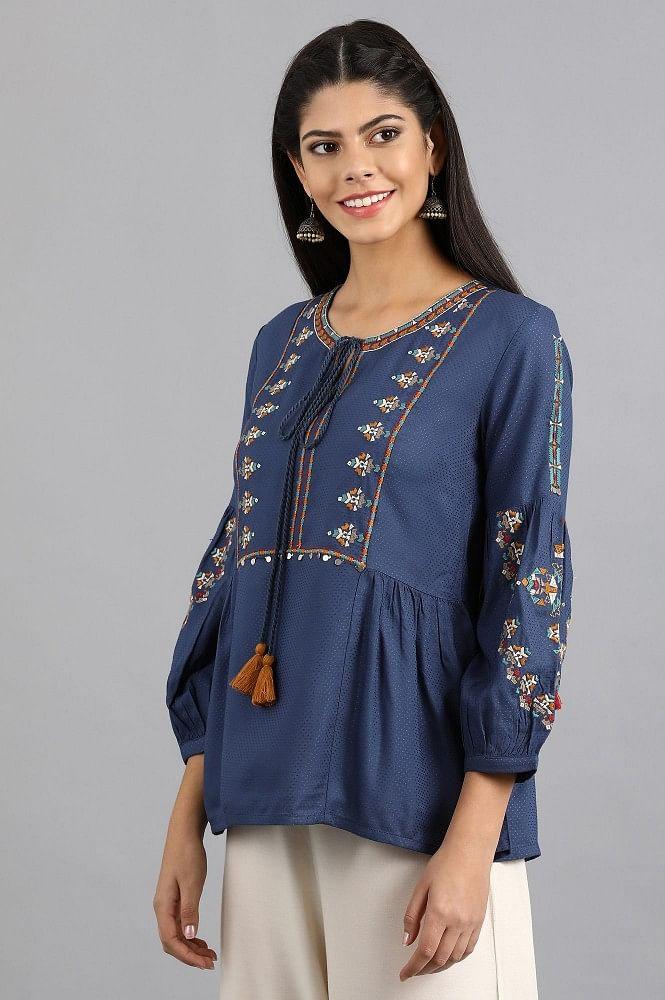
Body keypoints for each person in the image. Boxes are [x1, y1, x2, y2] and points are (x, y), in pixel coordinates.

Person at [153, 18, 573, 999]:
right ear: (298, 173)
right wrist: (188, 811)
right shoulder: (279, 344)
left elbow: (529, 584)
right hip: (263, 798)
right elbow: (232, 573)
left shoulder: (512, 338)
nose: (356, 167)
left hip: (415, 802)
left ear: (432, 145)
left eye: (382, 134)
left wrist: (473, 840)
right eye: (323, 145)